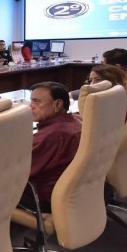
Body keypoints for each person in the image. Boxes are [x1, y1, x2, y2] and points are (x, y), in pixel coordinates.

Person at [20, 82, 82, 213]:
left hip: (43, 199)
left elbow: (18, 173)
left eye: (36, 102)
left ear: (58, 104)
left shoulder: (53, 136)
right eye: (31, 101)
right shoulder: (78, 120)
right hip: (78, 195)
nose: (30, 107)